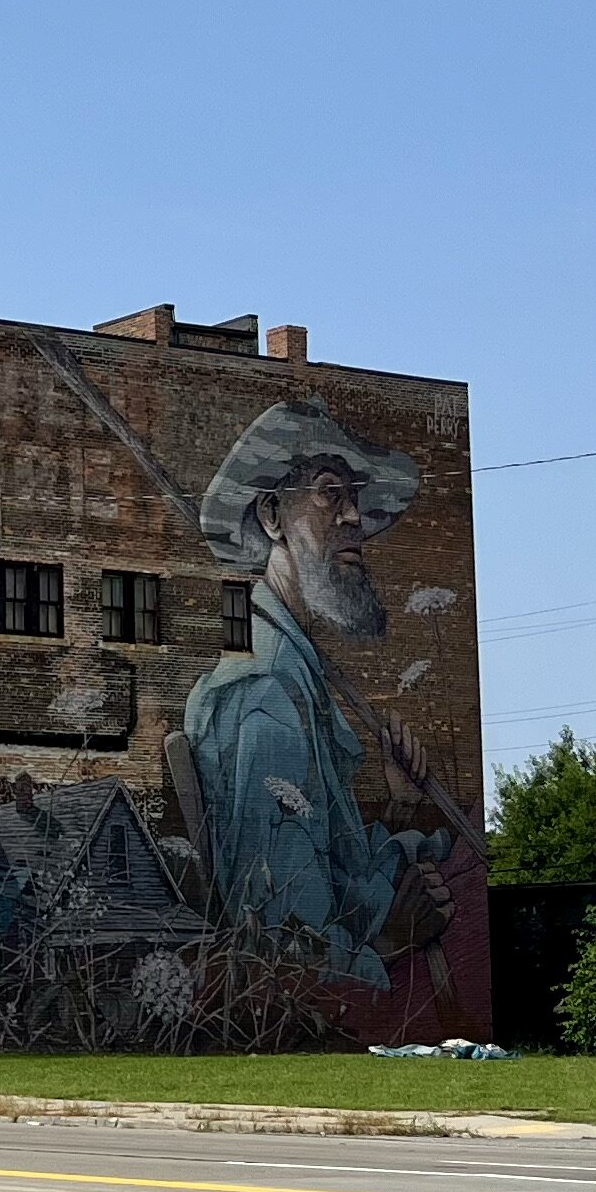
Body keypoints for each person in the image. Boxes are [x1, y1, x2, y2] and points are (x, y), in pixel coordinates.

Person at [181, 400, 456, 990]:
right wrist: (390, 942)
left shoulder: (295, 677)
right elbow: (285, 944)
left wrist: (399, 808)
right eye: (331, 493)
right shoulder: (268, 702)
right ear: (274, 516)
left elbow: (331, 873)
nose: (355, 517)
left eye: (354, 495)